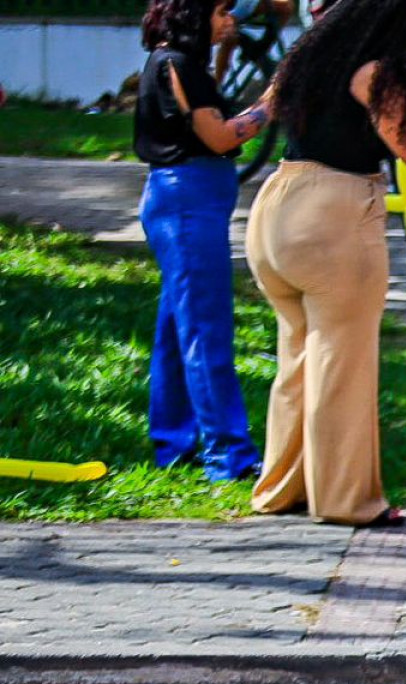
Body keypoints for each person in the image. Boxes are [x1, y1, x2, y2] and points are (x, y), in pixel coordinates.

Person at [248, 0, 406, 526]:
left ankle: (282, 488)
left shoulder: (313, 55)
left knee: (297, 360)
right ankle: (347, 501)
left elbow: (359, 123)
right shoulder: (377, 72)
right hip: (335, 216)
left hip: (279, 206)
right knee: (343, 365)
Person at [134, 0, 268, 483]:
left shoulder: (178, 62)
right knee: (206, 331)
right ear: (193, 15)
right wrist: (272, 103)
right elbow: (221, 137)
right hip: (187, 205)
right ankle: (228, 455)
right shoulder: (176, 64)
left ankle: (173, 444)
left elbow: (206, 106)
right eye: (220, 11)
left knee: (178, 330)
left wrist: (223, 50)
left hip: (189, 202)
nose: (229, 20)